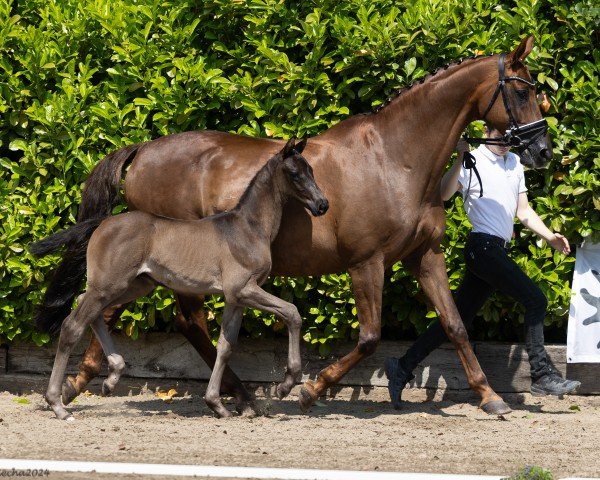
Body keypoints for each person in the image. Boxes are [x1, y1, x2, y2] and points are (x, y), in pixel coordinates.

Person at [385, 124, 580, 408]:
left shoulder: (514, 162)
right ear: (487, 130)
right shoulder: (472, 158)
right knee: (536, 300)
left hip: (495, 250)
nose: (506, 142)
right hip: (482, 248)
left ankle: (400, 368)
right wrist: (458, 158)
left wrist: (549, 236)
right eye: (500, 134)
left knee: (455, 322)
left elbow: (523, 211)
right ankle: (540, 375)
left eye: (510, 137)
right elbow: (445, 193)